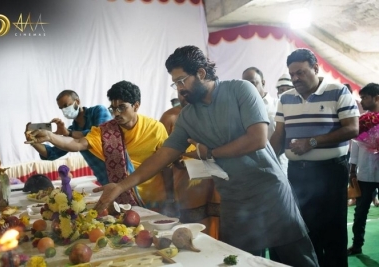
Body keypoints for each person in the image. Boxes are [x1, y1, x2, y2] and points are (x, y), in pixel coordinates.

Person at [91, 46, 318, 267]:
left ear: (200, 73)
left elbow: (257, 139)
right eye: (175, 83)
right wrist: (121, 187)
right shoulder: (188, 116)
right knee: (237, 262)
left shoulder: (240, 90)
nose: (179, 89)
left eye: (181, 80)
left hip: (269, 194)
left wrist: (210, 153)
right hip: (234, 202)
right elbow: (164, 155)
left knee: (297, 260)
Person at [270, 48, 360, 267]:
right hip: (298, 173)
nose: (295, 78)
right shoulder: (286, 98)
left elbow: (352, 128)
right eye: (292, 74)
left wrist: (312, 142)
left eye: (300, 72)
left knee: (333, 231)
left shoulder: (338, 92)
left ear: (316, 68)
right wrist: (266, 162)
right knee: (305, 230)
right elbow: (279, 136)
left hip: (330, 172)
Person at [26, 81, 171, 212]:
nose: (116, 113)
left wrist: (172, 197)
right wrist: (49, 137)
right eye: (113, 108)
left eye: (121, 107)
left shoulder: (155, 128)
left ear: (136, 106)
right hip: (122, 199)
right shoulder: (106, 130)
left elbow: (167, 164)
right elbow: (77, 144)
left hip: (155, 199)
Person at [159, 92, 220, 239]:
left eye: (188, 93)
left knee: (216, 221)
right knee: (193, 227)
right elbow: (162, 154)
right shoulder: (170, 117)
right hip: (186, 185)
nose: (184, 97)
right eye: (181, 93)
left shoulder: (214, 113)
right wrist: (176, 160)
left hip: (215, 181)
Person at [25, 90, 112, 184]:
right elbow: (51, 153)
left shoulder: (98, 110)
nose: (64, 110)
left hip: (121, 170)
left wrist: (68, 133)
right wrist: (33, 140)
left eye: (66, 105)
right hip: (103, 178)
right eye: (61, 108)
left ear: (77, 102)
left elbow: (100, 134)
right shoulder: (72, 129)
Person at [348, 83, 379, 256]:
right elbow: (356, 147)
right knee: (360, 212)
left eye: (365, 98)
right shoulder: (362, 121)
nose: (362, 101)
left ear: (376, 98)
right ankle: (357, 244)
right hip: (365, 173)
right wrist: (352, 170)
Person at [242, 67, 288, 175]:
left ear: (263, 82)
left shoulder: (278, 105)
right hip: (253, 168)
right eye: (245, 84)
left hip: (279, 165)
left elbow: (284, 136)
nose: (249, 88)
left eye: (253, 83)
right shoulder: (241, 111)